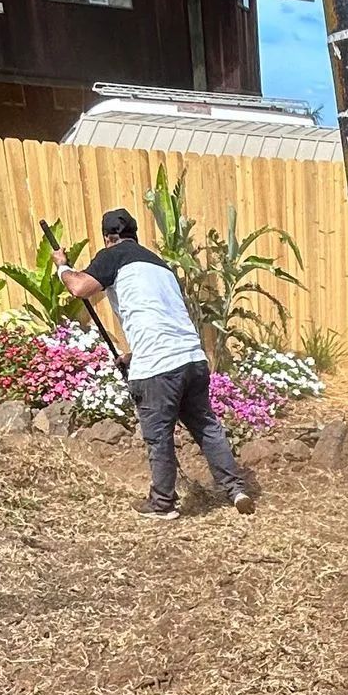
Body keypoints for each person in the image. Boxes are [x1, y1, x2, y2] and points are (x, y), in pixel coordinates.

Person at [55, 211, 253, 518]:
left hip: (159, 370)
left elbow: (79, 287)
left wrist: (62, 266)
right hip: (192, 358)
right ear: (135, 234)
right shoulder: (160, 266)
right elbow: (163, 319)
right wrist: (132, 356)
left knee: (159, 436)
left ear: (109, 238)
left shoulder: (113, 255)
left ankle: (162, 503)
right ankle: (236, 490)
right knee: (207, 427)